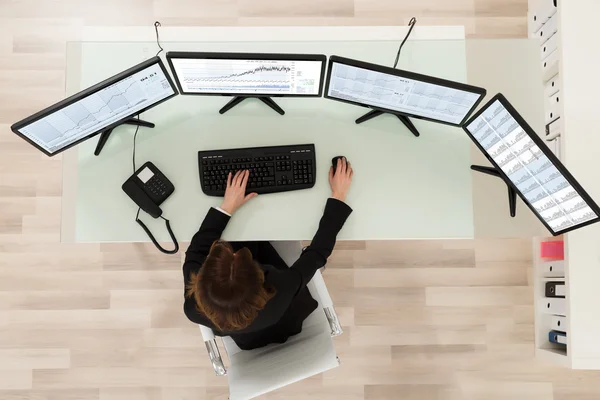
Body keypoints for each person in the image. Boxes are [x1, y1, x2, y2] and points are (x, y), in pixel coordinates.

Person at [182, 157, 354, 350]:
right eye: (237, 256)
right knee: (250, 241)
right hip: (286, 321)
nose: (235, 252)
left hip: (247, 340)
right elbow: (316, 255)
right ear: (262, 276)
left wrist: (228, 205)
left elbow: (196, 250)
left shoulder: (192, 307)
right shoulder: (281, 288)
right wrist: (338, 195)